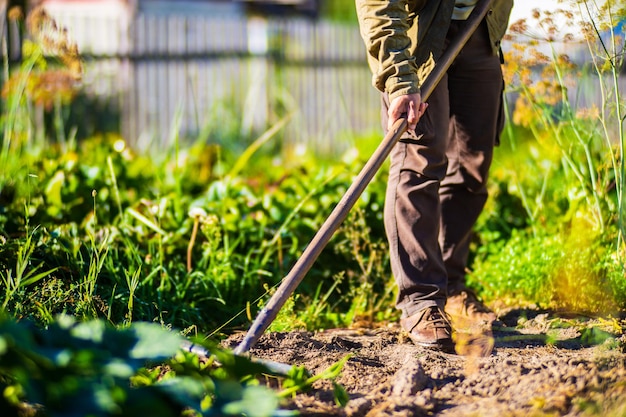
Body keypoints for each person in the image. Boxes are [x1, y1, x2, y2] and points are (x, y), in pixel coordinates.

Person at [355, 0, 514, 352]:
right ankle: (421, 301)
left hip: (479, 27)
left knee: (473, 164)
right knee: (418, 160)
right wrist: (399, 78)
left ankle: (451, 286)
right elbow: (380, 4)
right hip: (419, 35)